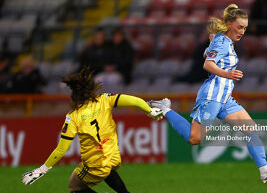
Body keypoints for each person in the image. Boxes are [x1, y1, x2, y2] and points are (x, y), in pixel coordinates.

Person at [148, 4, 267, 184]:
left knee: (250, 128)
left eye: (245, 28)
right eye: (239, 27)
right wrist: (227, 73)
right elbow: (207, 64)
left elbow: (210, 56)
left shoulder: (223, 41)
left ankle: (265, 170)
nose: (242, 31)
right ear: (230, 24)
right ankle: (165, 109)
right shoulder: (222, 41)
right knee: (194, 139)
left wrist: (209, 47)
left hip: (225, 98)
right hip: (212, 96)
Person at [22, 67, 163, 193]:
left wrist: (41, 170)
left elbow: (61, 150)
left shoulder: (73, 116)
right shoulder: (104, 99)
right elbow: (135, 101)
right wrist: (150, 111)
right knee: (106, 170)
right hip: (113, 157)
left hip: (95, 163)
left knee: (74, 187)